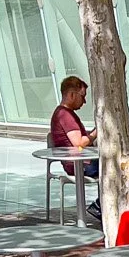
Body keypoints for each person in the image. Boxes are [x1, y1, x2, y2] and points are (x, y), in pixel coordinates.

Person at [48, 75, 101, 222]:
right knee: (114, 168)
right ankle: (100, 206)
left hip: (81, 163)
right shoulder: (64, 115)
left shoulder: (65, 114)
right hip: (79, 165)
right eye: (82, 96)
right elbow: (79, 143)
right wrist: (97, 131)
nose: (84, 101)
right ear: (71, 95)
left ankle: (101, 206)